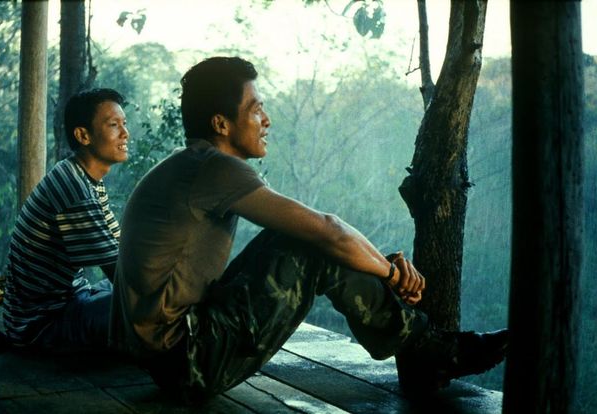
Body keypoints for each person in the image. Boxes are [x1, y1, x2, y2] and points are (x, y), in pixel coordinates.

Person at [108, 57, 507, 402]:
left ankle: (427, 350)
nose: (266, 120)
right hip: (187, 360)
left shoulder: (191, 165)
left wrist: (378, 264)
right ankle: (432, 352)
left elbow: (328, 229)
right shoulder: (213, 167)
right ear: (221, 123)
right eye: (256, 109)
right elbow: (327, 232)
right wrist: (387, 273)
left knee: (314, 239)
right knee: (310, 244)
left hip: (171, 357)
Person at [3, 88, 129, 352]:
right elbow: (117, 270)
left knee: (152, 291)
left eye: (124, 124)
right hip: (42, 324)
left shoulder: (86, 177)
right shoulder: (74, 188)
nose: (125, 134)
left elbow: (120, 250)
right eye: (114, 125)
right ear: (83, 135)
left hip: (74, 298)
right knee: (152, 307)